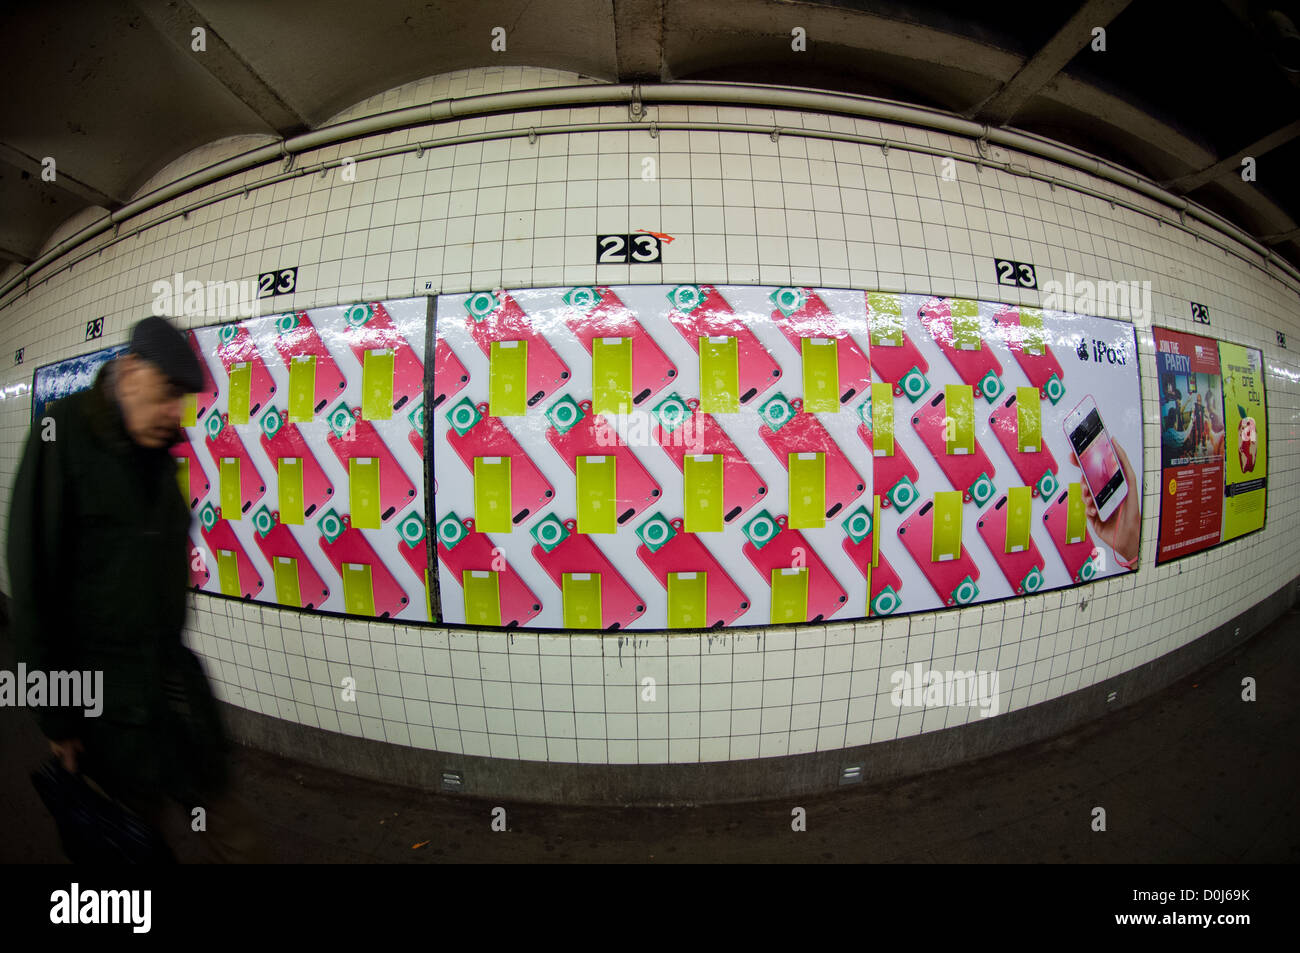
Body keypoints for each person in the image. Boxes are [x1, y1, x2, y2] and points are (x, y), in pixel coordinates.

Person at [8, 315, 265, 862]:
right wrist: (56, 714)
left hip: (173, 693)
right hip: (106, 709)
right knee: (129, 845)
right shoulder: (64, 434)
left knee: (234, 830)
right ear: (127, 374)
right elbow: (33, 582)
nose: (176, 412)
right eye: (167, 392)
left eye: (183, 399)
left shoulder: (156, 452)